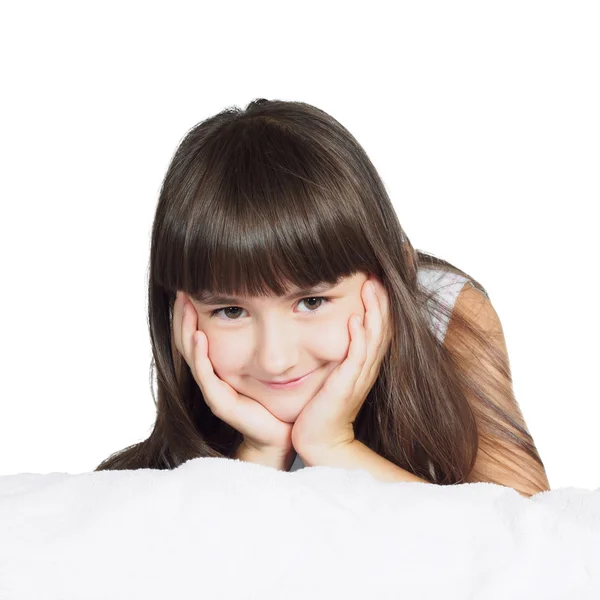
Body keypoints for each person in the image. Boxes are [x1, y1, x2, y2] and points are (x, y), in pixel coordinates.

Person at [94, 98, 550, 498]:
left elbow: (527, 535)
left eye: (311, 302)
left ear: (393, 278)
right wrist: (260, 452)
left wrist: (332, 447)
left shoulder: (447, 316)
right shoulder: (144, 491)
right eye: (230, 311)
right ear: (180, 312)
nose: (275, 360)